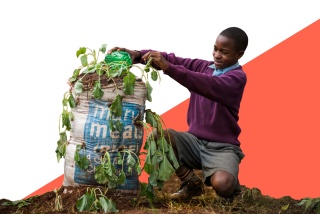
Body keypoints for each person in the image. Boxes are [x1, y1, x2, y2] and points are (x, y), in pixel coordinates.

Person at [108, 27, 248, 201]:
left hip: (222, 148)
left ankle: (233, 185)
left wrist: (169, 69)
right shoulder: (204, 67)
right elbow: (171, 59)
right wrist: (136, 55)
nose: (217, 55)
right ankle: (190, 183)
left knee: (223, 185)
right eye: (215, 49)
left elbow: (206, 84)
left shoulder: (237, 78)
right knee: (158, 137)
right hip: (194, 142)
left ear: (239, 55)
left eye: (224, 52)